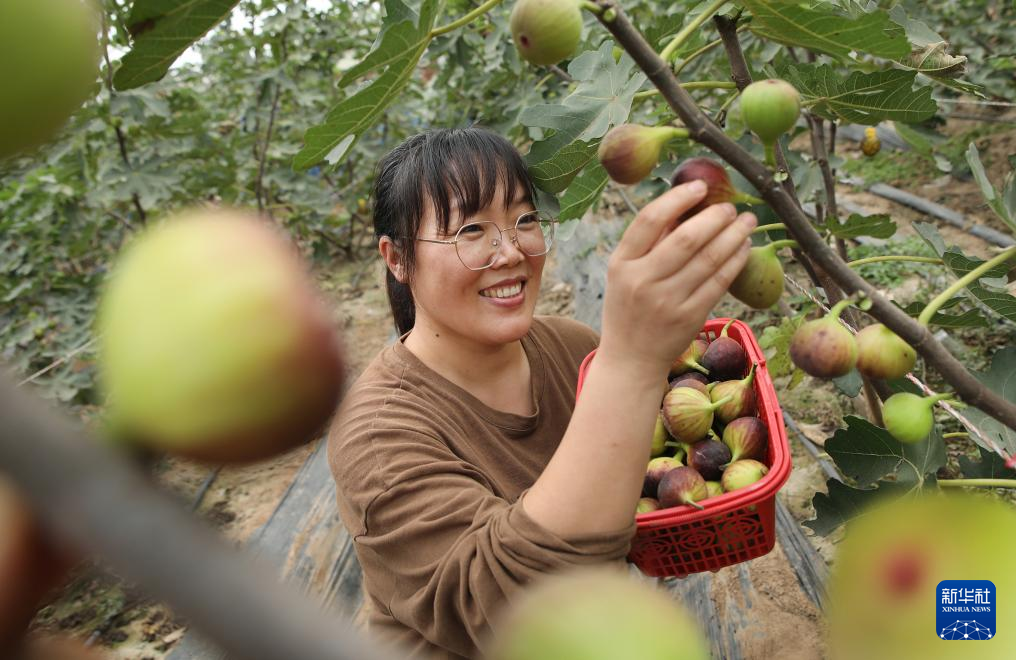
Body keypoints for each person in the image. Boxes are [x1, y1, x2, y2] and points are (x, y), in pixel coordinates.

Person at [326, 127, 755, 659]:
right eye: (470, 229)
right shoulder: (378, 433)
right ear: (397, 258)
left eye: (524, 219)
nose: (510, 252)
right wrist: (630, 362)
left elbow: (653, 470)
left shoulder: (571, 346)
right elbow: (513, 611)